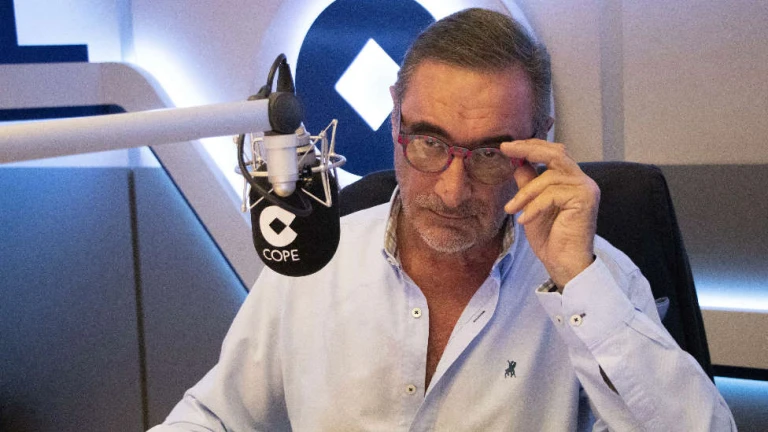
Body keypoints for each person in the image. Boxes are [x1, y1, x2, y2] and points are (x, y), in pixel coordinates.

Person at [150, 8, 734, 431]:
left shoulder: (596, 279)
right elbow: (214, 416)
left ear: (538, 141)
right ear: (395, 120)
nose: (452, 192)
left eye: (489, 154)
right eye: (429, 143)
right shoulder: (317, 260)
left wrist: (579, 282)